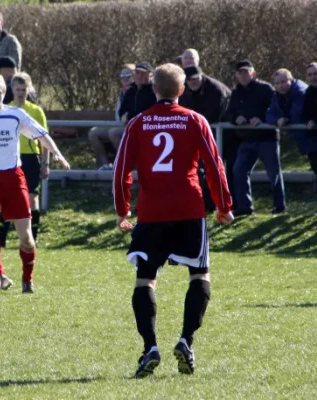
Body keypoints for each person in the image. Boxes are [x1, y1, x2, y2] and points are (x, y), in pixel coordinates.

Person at [113, 63, 233, 379]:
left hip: (151, 212)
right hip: (189, 210)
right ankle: (185, 340)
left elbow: (120, 169)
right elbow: (215, 166)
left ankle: (150, 346)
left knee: (145, 279)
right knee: (200, 275)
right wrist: (224, 206)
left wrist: (122, 210)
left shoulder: (138, 123)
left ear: (154, 89)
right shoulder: (195, 120)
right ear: (181, 91)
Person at [0, 72, 70, 294]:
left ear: (5, 93)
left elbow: (42, 135)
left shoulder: (16, 115)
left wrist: (57, 153)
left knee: (26, 238)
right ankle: (0, 275)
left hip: (13, 179)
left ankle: (27, 279)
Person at [0, 72, 50, 247]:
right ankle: (1, 240)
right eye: (17, 89)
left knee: (32, 198)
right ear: (11, 90)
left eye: (23, 89)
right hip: (10, 159)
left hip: (31, 159)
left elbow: (44, 139)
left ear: (29, 90)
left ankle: (32, 239)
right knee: (5, 198)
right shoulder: (5, 109)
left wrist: (45, 163)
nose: (20, 92)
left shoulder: (36, 111)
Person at [229, 60, 285, 215]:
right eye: (240, 73)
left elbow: (275, 110)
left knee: (273, 172)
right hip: (247, 139)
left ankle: (279, 207)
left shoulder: (265, 89)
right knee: (239, 170)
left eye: (246, 72)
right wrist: (236, 119)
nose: (243, 75)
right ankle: (245, 206)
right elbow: (229, 113)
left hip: (267, 138)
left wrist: (261, 119)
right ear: (237, 75)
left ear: (253, 73)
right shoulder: (235, 93)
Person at [180, 66, 231, 211]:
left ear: (201, 76)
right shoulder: (184, 92)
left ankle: (215, 204)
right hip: (198, 134)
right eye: (189, 80)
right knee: (197, 169)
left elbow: (213, 116)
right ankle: (202, 203)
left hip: (221, 134)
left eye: (196, 79)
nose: (193, 82)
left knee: (214, 169)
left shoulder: (215, 90)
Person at [88, 64, 135, 170]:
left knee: (113, 132)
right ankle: (105, 166)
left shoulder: (138, 91)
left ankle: (124, 166)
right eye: (122, 75)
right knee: (94, 132)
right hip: (119, 125)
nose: (125, 78)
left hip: (132, 127)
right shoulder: (122, 92)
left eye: (128, 75)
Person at [302, 62, 317, 191]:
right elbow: (306, 112)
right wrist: (309, 121)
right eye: (310, 75)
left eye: (316, 73)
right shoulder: (308, 92)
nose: (313, 77)